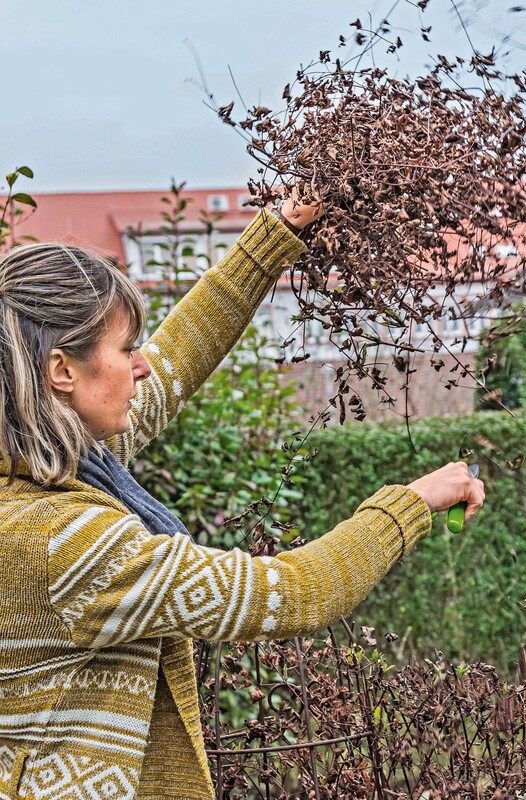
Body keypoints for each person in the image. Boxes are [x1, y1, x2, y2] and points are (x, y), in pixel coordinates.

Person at [0, 197, 485, 800]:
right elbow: (298, 592)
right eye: (126, 350)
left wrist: (275, 235)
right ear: (61, 370)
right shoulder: (66, 543)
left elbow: (178, 360)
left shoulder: (50, 466)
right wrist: (412, 502)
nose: (143, 367)